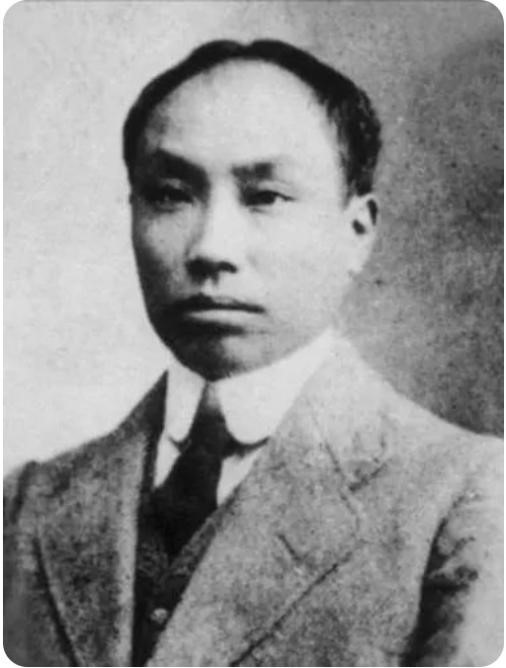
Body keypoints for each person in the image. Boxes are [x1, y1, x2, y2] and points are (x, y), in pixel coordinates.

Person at [4, 39, 502, 667]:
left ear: (357, 233)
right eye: (170, 193)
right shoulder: (25, 505)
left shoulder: (469, 496)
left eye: (266, 196)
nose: (211, 248)